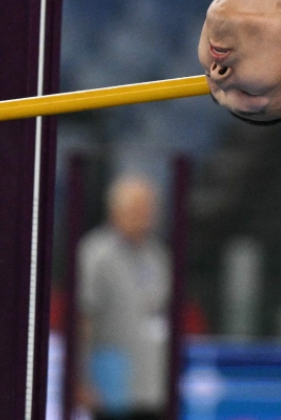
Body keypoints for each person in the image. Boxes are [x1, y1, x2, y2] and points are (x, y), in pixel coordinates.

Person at [77, 176, 170, 420]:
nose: (143, 215)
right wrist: (80, 378)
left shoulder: (157, 255)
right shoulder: (96, 254)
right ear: (115, 211)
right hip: (111, 385)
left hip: (153, 386)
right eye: (135, 209)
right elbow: (82, 318)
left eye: (147, 208)